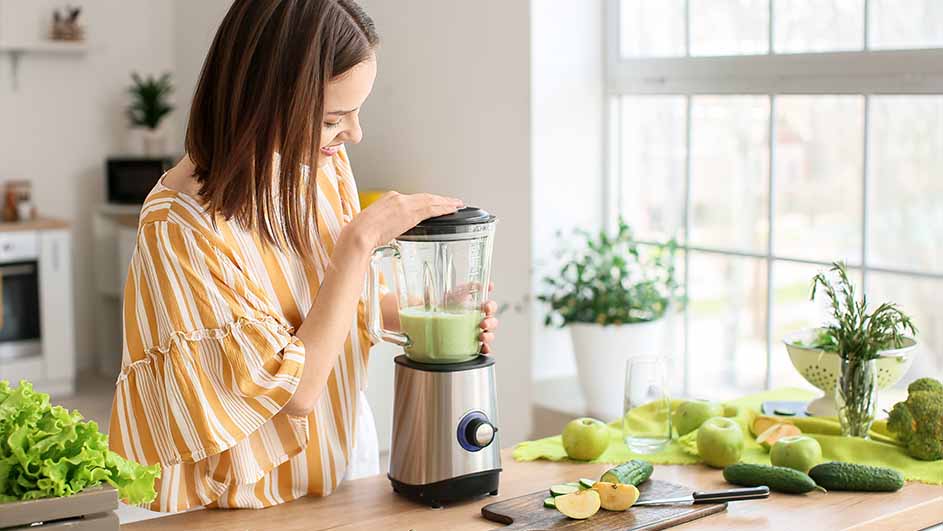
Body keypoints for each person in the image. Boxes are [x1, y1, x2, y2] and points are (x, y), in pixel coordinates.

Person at [108, 0, 499, 512]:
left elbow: (342, 303)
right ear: (263, 100)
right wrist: (359, 243)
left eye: (357, 112)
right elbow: (292, 390)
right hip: (245, 501)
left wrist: (431, 313)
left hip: (341, 463)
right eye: (335, 118)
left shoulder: (316, 163)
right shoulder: (179, 225)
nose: (354, 134)